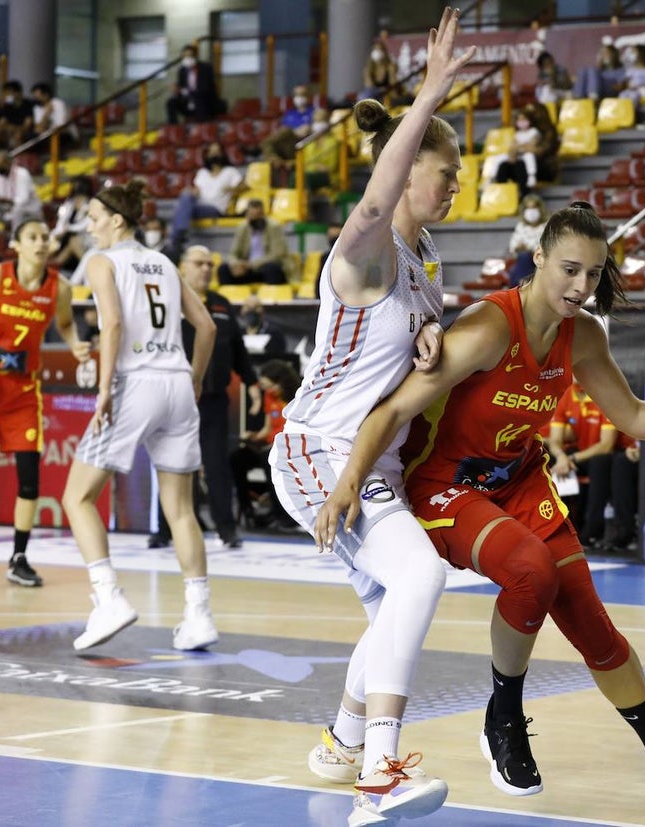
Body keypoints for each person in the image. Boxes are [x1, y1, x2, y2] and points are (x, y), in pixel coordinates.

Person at [316, 201, 645, 814]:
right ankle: (502, 717)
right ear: (538, 259)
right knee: (531, 569)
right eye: (570, 270)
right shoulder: (489, 327)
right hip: (444, 483)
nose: (581, 286)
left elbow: (631, 413)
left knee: (592, 625)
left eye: (593, 274)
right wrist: (349, 479)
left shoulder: (583, 335)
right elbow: (395, 408)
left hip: (518, 478)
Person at [268, 11, 474, 825]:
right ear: (408, 164)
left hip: (376, 457)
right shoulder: (367, 249)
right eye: (445, 172)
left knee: (394, 610)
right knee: (420, 577)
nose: (455, 186)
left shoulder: (424, 263)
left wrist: (429, 338)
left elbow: (407, 353)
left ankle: (341, 742)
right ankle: (379, 775)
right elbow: (374, 202)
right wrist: (426, 97)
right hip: (320, 448)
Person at [61, 180, 219, 653]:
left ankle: (108, 598)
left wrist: (104, 388)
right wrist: (194, 378)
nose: (88, 228)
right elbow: (206, 326)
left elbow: (111, 323)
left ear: (116, 220)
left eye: (93, 219)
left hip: (135, 383)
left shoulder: (101, 261)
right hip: (177, 384)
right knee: (181, 509)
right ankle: (199, 616)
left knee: (77, 497)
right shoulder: (166, 263)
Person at [0, 218, 90, 587]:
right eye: (33, 237)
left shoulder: (59, 287)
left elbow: (65, 324)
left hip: (22, 392)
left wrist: (74, 344)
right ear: (17, 244)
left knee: (30, 479)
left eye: (45, 237)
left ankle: (19, 558)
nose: (41, 243)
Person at [149, 246, 261, 551]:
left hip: (213, 400)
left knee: (217, 466)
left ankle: (227, 530)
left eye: (210, 264)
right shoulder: (167, 300)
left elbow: (238, 350)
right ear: (182, 267)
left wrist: (251, 383)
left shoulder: (221, 304)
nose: (206, 269)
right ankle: (163, 531)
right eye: (199, 263)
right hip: (176, 398)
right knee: (172, 463)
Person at [547, 379, 619, 545]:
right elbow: (555, 440)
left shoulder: (605, 396)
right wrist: (562, 457)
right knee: (553, 461)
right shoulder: (566, 395)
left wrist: (571, 458)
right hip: (579, 454)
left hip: (606, 455)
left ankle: (592, 530)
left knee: (599, 463)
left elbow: (606, 445)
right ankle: (561, 527)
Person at [231, 359, 299, 529]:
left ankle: (282, 513)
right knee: (236, 458)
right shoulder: (269, 396)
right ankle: (247, 509)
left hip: (289, 447)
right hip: (269, 445)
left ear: (282, 382)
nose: (269, 391)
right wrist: (252, 436)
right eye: (266, 387)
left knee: (268, 458)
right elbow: (267, 429)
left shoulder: (297, 397)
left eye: (272, 386)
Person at [170, 142, 247, 246]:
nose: (214, 154)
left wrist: (232, 189)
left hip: (216, 209)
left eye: (217, 151)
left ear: (222, 154)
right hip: (200, 206)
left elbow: (245, 186)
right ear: (207, 155)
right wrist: (191, 192)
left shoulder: (230, 171)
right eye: (211, 152)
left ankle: (177, 238)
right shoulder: (202, 173)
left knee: (179, 208)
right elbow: (197, 190)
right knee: (185, 196)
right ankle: (180, 234)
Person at [217, 199, 291, 285]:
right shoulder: (243, 227)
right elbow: (233, 253)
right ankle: (229, 292)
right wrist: (236, 264)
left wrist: (251, 265)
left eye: (258, 216)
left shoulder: (274, 227)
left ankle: (272, 293)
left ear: (263, 214)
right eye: (252, 216)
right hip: (246, 269)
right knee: (223, 269)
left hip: (264, 267)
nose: (255, 219)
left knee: (272, 269)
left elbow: (276, 255)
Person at [0, 150, 43, 235]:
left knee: (17, 210)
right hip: (7, 210)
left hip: (29, 211)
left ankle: (14, 240)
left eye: (0, 165)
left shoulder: (22, 174)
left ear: (8, 163)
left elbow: (23, 200)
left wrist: (4, 201)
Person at [483, 108, 542, 193]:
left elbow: (532, 146)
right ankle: (491, 178)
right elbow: (512, 147)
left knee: (529, 156)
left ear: (530, 120)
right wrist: (520, 147)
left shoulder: (533, 132)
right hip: (517, 155)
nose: (521, 122)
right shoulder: (517, 134)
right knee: (497, 158)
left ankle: (531, 176)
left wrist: (519, 147)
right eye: (519, 120)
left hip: (526, 154)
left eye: (524, 119)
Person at [260, 85, 316, 170]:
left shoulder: (314, 113)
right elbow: (282, 131)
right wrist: (293, 131)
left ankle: (280, 163)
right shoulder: (289, 114)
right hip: (288, 143)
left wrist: (309, 129)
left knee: (285, 132)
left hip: (304, 142)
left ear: (308, 97)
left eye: (302, 95)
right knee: (268, 142)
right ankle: (275, 160)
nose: (299, 98)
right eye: (296, 95)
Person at [166, 44, 223, 124]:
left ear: (195, 56)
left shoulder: (205, 68)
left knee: (199, 100)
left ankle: (201, 127)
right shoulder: (182, 70)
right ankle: (174, 127)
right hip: (188, 101)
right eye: (185, 57)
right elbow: (182, 86)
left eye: (189, 56)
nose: (187, 59)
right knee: (171, 102)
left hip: (204, 101)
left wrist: (185, 91)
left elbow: (204, 89)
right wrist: (176, 89)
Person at [48, 175, 93, 272]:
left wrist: (67, 229)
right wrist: (54, 235)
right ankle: (49, 267)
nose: (78, 200)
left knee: (73, 241)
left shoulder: (90, 206)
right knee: (50, 240)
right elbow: (60, 226)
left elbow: (84, 226)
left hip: (85, 241)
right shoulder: (68, 205)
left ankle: (90, 268)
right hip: (65, 239)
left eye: (80, 198)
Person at [507, 193, 547, 285]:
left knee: (525, 255)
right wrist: (518, 248)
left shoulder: (546, 226)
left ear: (540, 209)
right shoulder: (521, 226)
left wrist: (530, 250)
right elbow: (513, 246)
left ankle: (521, 283)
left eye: (534, 207)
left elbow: (546, 248)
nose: (531, 211)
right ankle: (522, 283)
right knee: (522, 257)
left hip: (539, 263)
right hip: (522, 261)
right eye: (528, 208)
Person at [30, 82, 78, 146]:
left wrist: (44, 127)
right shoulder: (37, 107)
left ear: (46, 94)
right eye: (34, 96)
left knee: (53, 137)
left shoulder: (58, 103)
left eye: (38, 96)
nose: (36, 99)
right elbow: (38, 128)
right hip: (46, 135)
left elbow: (60, 126)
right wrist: (46, 114)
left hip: (64, 134)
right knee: (31, 137)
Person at [0, 80, 35, 150]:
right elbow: (2, 121)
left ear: (18, 93)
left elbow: (27, 125)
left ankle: (18, 155)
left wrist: (13, 128)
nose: (7, 95)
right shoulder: (8, 106)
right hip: (9, 130)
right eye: (6, 93)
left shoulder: (28, 105)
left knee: (18, 135)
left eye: (9, 93)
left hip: (22, 131)